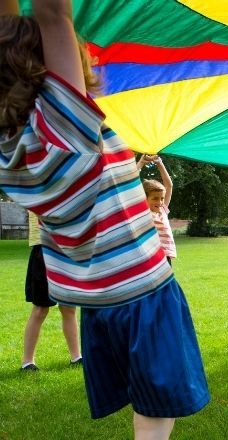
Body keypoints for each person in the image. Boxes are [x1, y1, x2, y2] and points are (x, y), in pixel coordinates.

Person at [0, 2, 210, 438]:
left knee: (144, 393)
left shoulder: (11, 152)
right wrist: (49, 24)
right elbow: (53, 12)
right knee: (158, 405)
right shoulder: (68, 131)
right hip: (140, 290)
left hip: (95, 298)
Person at [21, 211, 81, 371]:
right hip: (44, 248)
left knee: (69, 308)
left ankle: (76, 357)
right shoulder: (35, 188)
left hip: (66, 249)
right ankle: (27, 362)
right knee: (40, 308)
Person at [137, 154, 177, 264]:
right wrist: (140, 164)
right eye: (155, 198)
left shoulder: (163, 210)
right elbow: (129, 185)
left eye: (162, 198)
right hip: (150, 256)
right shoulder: (144, 212)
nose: (159, 202)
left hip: (166, 257)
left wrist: (159, 163)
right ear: (145, 198)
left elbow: (169, 186)